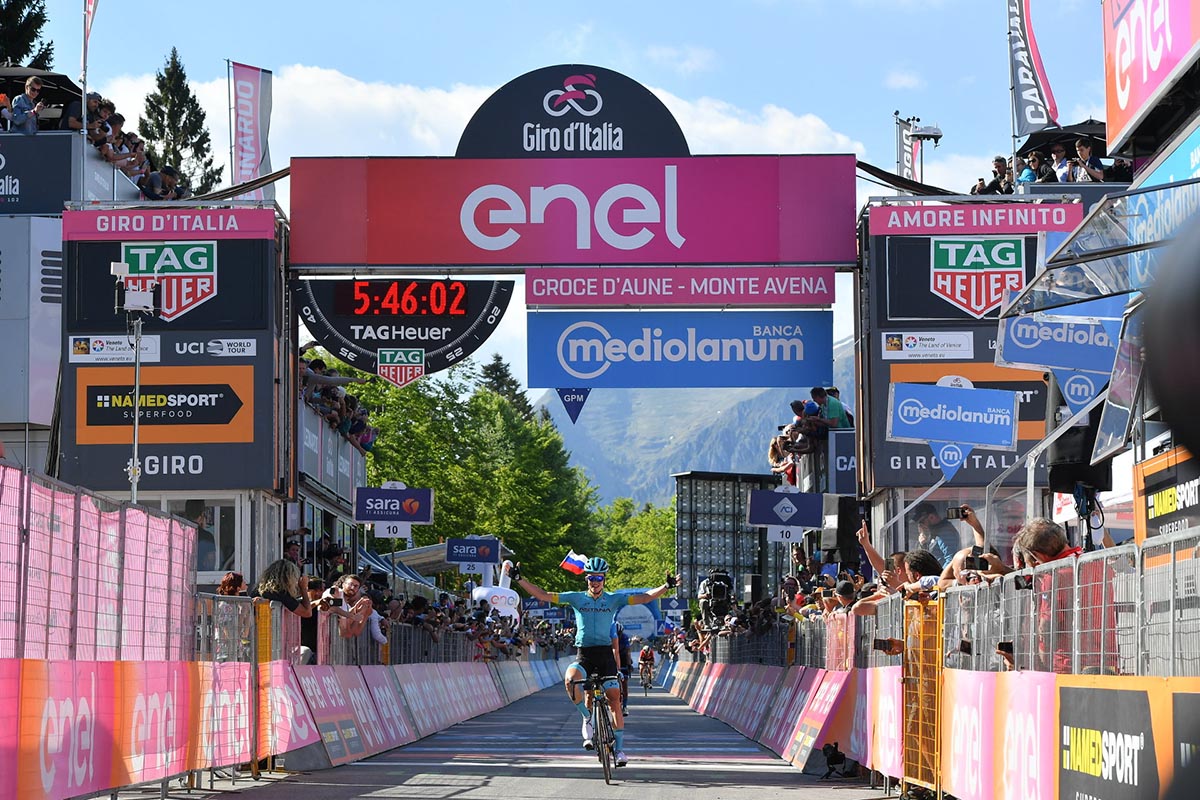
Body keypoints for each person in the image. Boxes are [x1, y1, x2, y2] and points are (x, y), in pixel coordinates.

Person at [506, 557, 679, 768]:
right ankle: (587, 718)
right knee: (570, 681)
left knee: (614, 700)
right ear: (586, 579)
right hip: (585, 654)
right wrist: (519, 579)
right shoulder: (577, 598)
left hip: (605, 655)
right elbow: (543, 595)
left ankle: (619, 750)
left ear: (604, 579)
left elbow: (644, 597)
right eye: (591, 578)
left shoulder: (613, 599)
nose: (594, 582)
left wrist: (666, 586)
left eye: (598, 578)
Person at [908, 501, 960, 567]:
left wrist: (942, 573)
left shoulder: (945, 533)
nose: (920, 525)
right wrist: (923, 544)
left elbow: (951, 560)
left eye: (922, 522)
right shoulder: (934, 533)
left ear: (931, 517)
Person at [612, 622, 633, 716]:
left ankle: (624, 706)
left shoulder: (624, 637)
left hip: (623, 658)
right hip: (612, 658)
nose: (618, 636)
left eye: (619, 634)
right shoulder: (609, 636)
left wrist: (629, 664)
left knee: (624, 685)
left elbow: (628, 652)